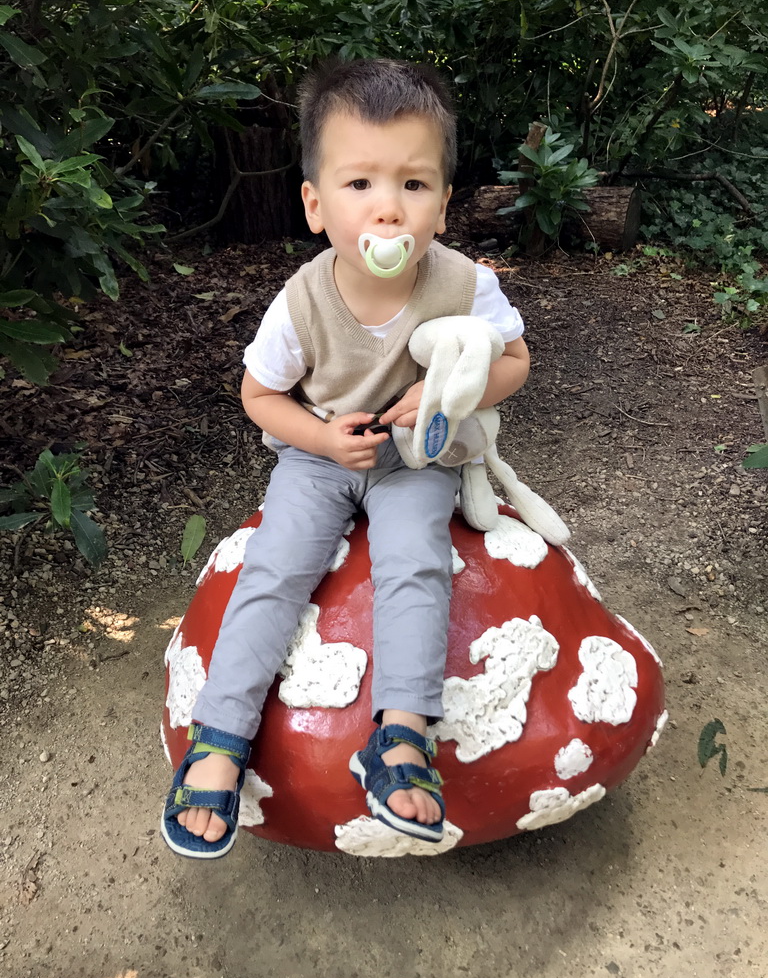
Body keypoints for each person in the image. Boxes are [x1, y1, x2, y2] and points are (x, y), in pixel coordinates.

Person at [161, 57, 530, 858]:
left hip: (416, 457)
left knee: (415, 562)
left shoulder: (468, 286)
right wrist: (323, 438)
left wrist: (450, 392)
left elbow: (514, 363)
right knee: (276, 566)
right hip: (322, 454)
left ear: (444, 201)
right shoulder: (300, 302)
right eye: (360, 183)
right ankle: (221, 735)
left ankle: (399, 736)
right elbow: (259, 397)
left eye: (414, 183)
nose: (389, 209)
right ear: (316, 205)